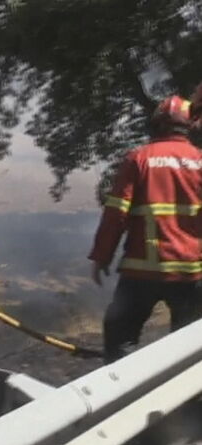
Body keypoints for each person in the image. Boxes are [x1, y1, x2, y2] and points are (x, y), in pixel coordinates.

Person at [88, 95, 202, 363]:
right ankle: (187, 402)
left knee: (120, 338)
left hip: (140, 274)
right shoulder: (199, 161)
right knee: (188, 349)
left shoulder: (139, 158)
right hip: (190, 274)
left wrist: (101, 256)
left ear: (157, 124)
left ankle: (120, 393)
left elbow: (115, 214)